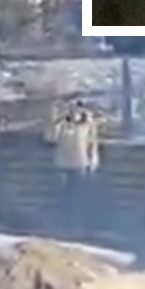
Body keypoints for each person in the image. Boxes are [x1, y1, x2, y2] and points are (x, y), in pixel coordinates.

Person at [48, 98, 103, 235]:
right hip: (63, 164)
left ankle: (78, 227)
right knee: (64, 197)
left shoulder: (87, 123)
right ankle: (64, 226)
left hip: (81, 164)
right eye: (72, 107)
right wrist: (56, 120)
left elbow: (92, 143)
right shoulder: (63, 123)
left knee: (79, 197)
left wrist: (94, 160)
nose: (75, 110)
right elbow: (51, 137)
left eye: (79, 107)